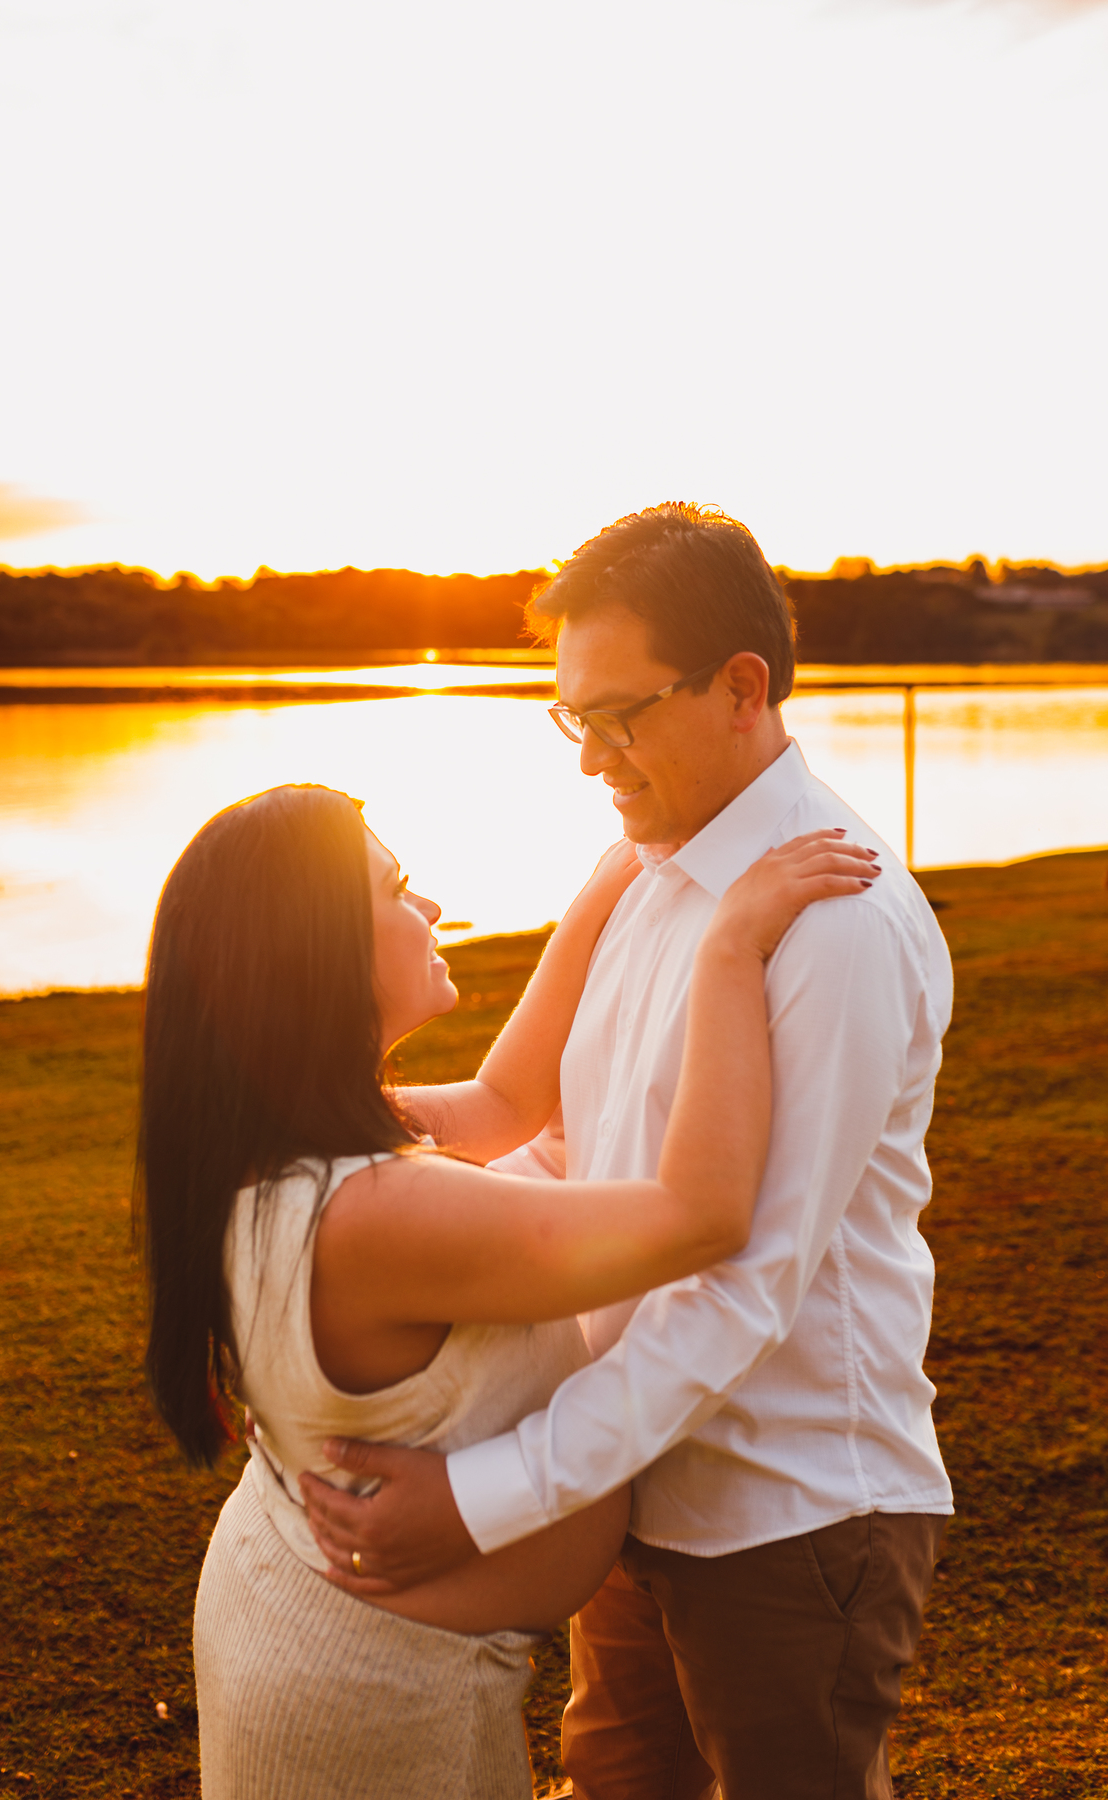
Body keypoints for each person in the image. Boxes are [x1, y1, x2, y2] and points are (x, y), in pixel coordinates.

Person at [300, 504, 956, 1800]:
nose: (591, 757)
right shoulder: (649, 871)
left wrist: (481, 1496)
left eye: (619, 717)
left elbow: (742, 1285)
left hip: (788, 1511)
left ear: (741, 688)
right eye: (572, 719)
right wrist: (358, 1226)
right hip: (630, 1479)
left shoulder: (838, 924)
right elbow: (576, 1156)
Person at [136, 777, 877, 1800]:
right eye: (397, 890)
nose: (432, 907)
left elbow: (502, 1102)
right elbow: (701, 1214)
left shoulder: (277, 1150)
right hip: (371, 1700)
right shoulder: (380, 1214)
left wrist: (619, 871)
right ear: (323, 957)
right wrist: (729, 947)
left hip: (308, 1623)